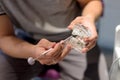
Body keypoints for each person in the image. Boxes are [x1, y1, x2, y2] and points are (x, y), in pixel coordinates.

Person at [0, 0, 103, 80]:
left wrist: (88, 18)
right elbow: (4, 37)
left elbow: (91, 1)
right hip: (25, 38)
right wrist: (33, 51)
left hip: (73, 36)